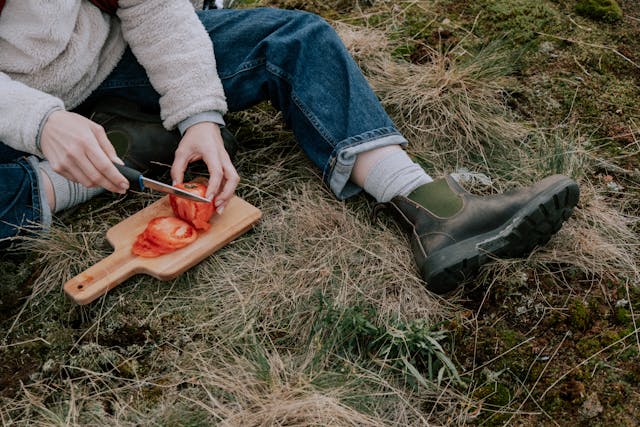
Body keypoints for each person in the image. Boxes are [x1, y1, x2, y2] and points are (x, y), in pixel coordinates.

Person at [0, 0, 579, 294]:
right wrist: (44, 123)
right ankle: (82, 167)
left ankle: (430, 206)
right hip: (13, 111)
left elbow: (155, 9)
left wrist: (200, 112)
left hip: (110, 61)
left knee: (296, 38)